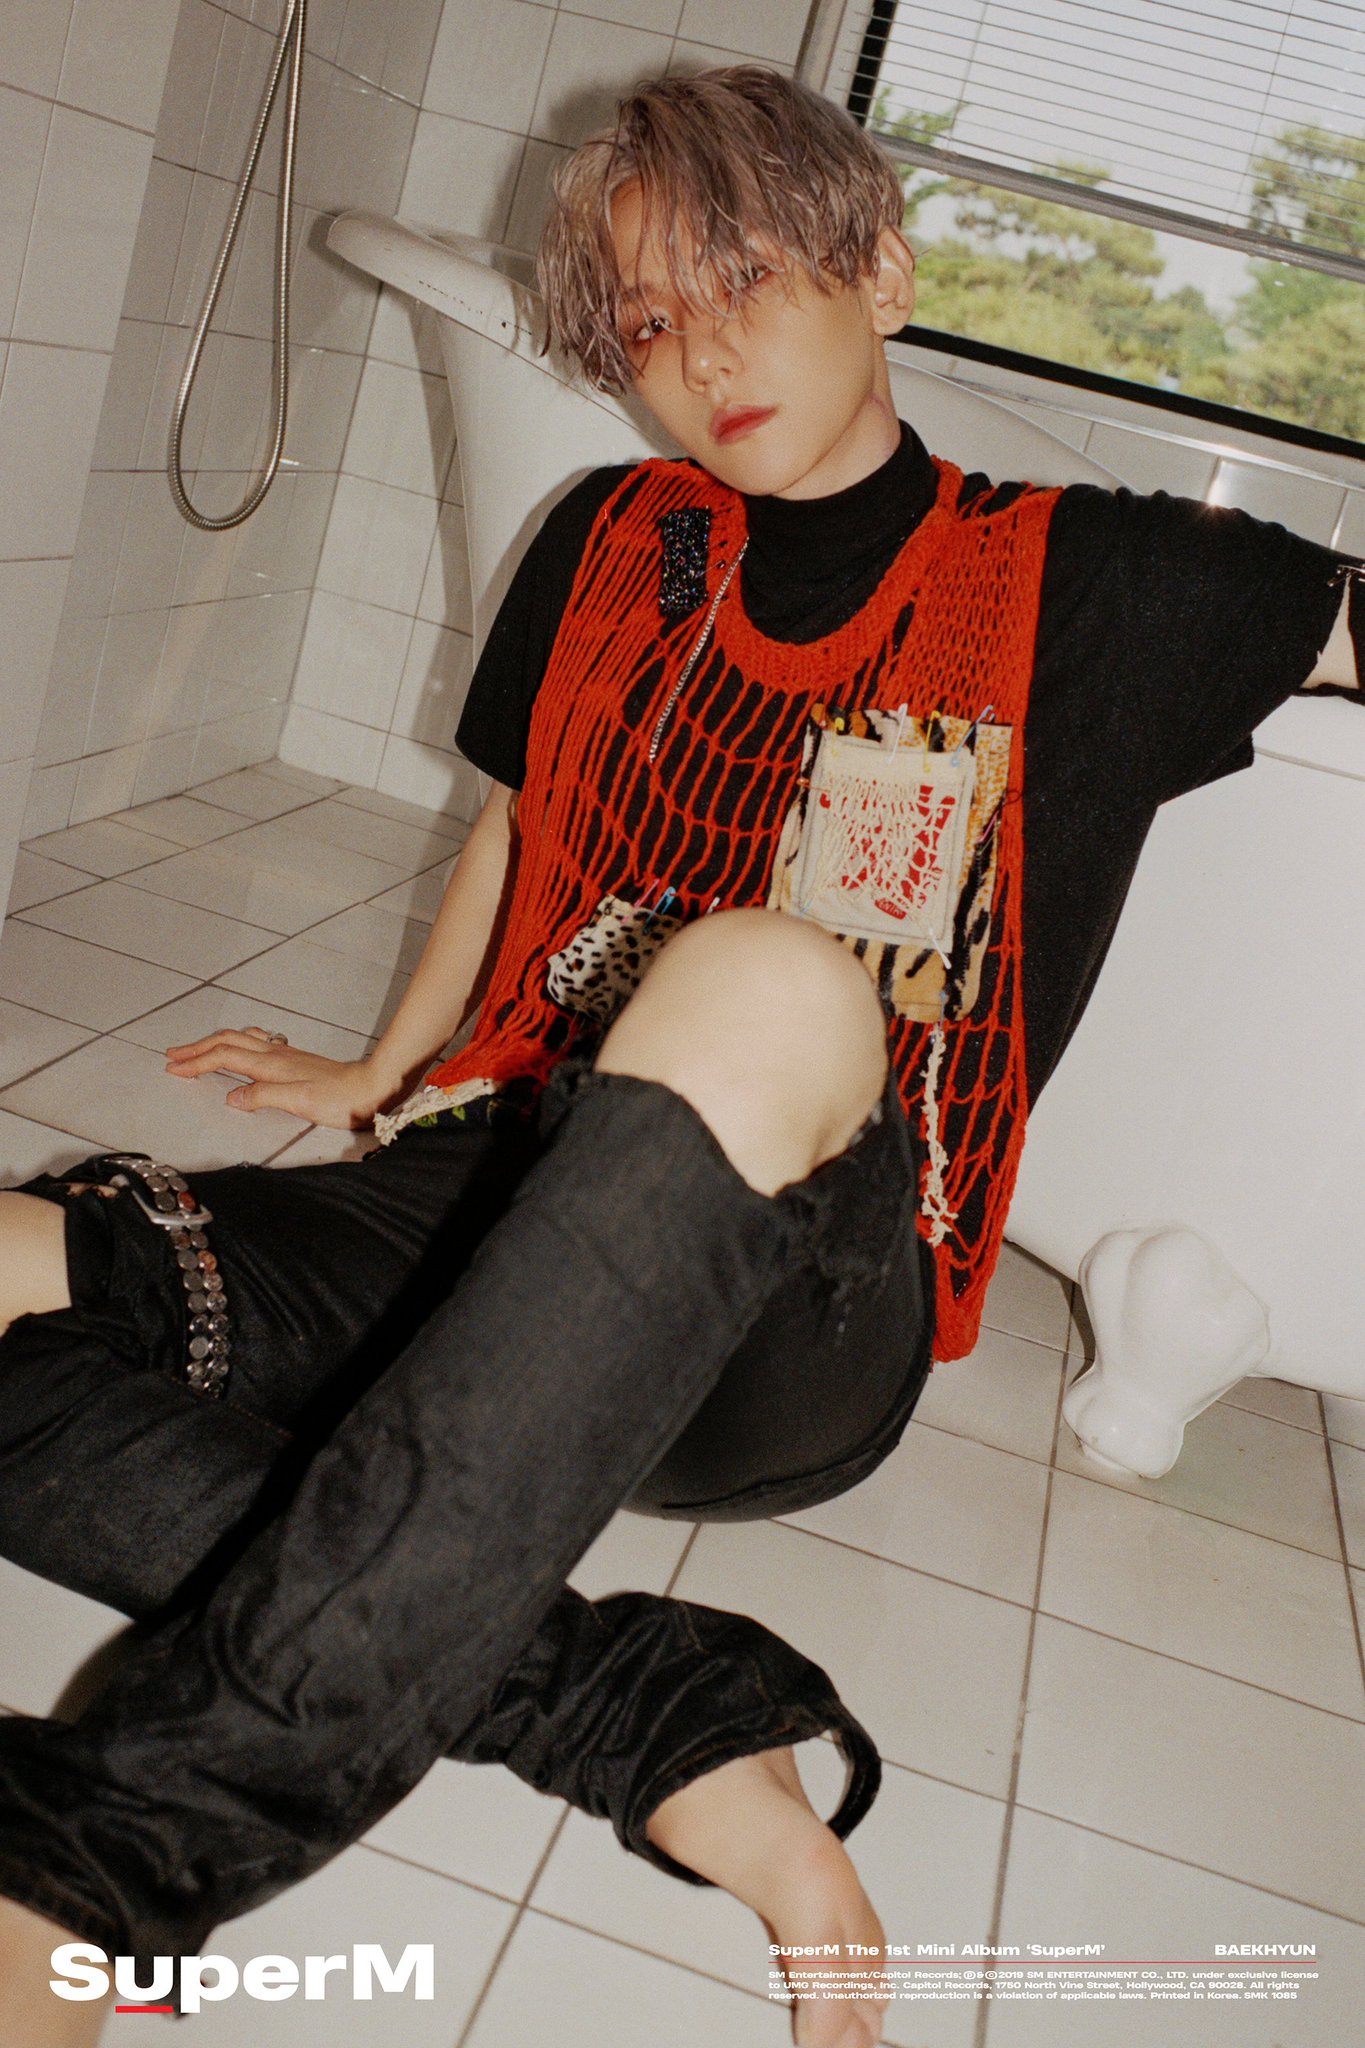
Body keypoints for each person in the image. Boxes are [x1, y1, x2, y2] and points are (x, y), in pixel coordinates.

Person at [0, 61, 1360, 2048]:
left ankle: (94, 1871)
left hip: (797, 1294)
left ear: (879, 268)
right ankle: (632, 1706)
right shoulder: (608, 536)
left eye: (740, 278)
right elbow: (512, 822)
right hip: (477, 1188)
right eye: (644, 319)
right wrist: (381, 1073)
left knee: (765, 975)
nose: (696, 352)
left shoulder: (1107, 580)